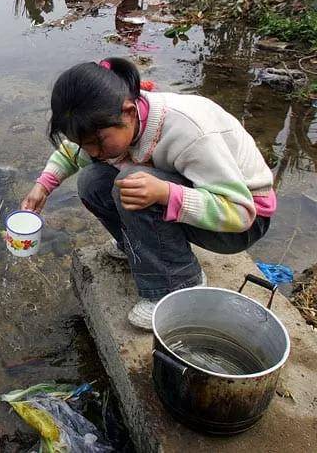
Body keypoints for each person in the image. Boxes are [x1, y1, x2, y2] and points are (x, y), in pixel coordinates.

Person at [21, 58, 276, 330]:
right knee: (92, 182)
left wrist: (166, 193)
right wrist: (43, 187)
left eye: (97, 142)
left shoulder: (188, 132)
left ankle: (178, 284)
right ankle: (136, 246)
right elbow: (74, 154)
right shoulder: (115, 123)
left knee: (132, 183)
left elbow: (241, 214)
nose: (92, 152)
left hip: (239, 222)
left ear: (129, 112)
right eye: (85, 143)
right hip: (204, 200)